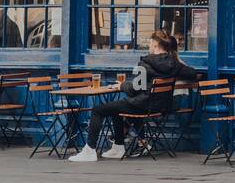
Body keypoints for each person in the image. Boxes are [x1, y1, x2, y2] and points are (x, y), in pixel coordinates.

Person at [69, 29, 198, 162]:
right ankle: (118, 147)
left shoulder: (146, 63)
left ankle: (89, 150)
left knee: (97, 110)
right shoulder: (175, 64)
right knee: (116, 110)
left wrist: (121, 85)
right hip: (161, 106)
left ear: (155, 44)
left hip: (142, 104)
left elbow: (135, 89)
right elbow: (192, 73)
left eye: (150, 43)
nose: (149, 46)